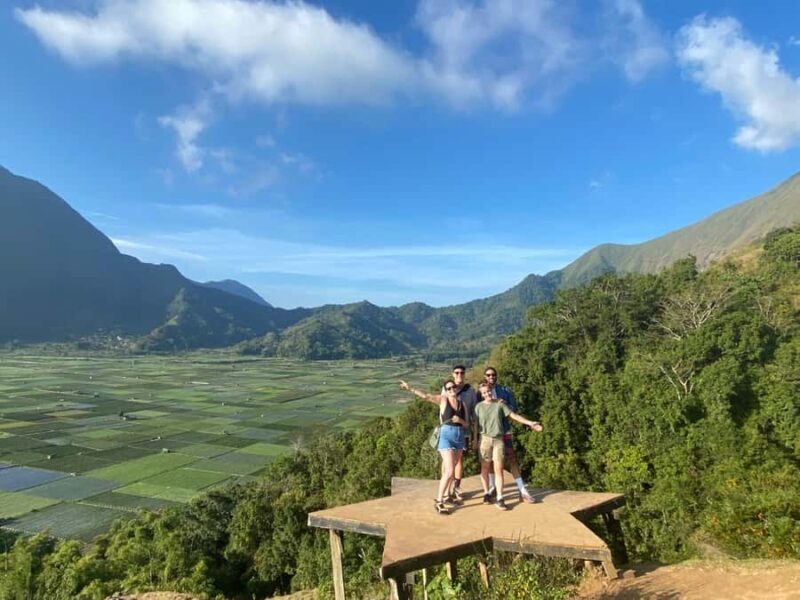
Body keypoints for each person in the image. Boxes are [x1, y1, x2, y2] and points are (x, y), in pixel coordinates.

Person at [400, 379, 469, 514]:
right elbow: (426, 396)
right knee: (449, 471)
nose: (452, 390)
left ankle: (447, 496)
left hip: (459, 436)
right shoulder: (443, 400)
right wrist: (410, 388)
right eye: (448, 388)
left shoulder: (462, 404)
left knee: (453, 467)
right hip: (446, 436)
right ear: (445, 391)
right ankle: (439, 501)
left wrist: (460, 420)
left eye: (453, 387)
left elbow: (466, 424)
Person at [473, 381, 543, 510]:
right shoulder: (478, 407)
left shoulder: (500, 404)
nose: (487, 394)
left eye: (488, 391)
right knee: (485, 468)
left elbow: (513, 415)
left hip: (498, 440)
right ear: (481, 394)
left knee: (499, 469)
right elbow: (476, 425)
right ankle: (486, 493)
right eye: (484, 392)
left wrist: (529, 423)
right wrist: (475, 440)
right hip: (485, 440)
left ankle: (500, 498)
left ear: (491, 391)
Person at [484, 367, 537, 503]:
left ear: (496, 376)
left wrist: (505, 404)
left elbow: (513, 409)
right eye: (488, 375)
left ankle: (522, 491)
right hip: (488, 433)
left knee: (512, 458)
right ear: (485, 377)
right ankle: (493, 487)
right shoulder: (481, 392)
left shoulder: (505, 390)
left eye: (493, 375)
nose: (491, 377)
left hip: (504, 430)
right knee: (490, 461)